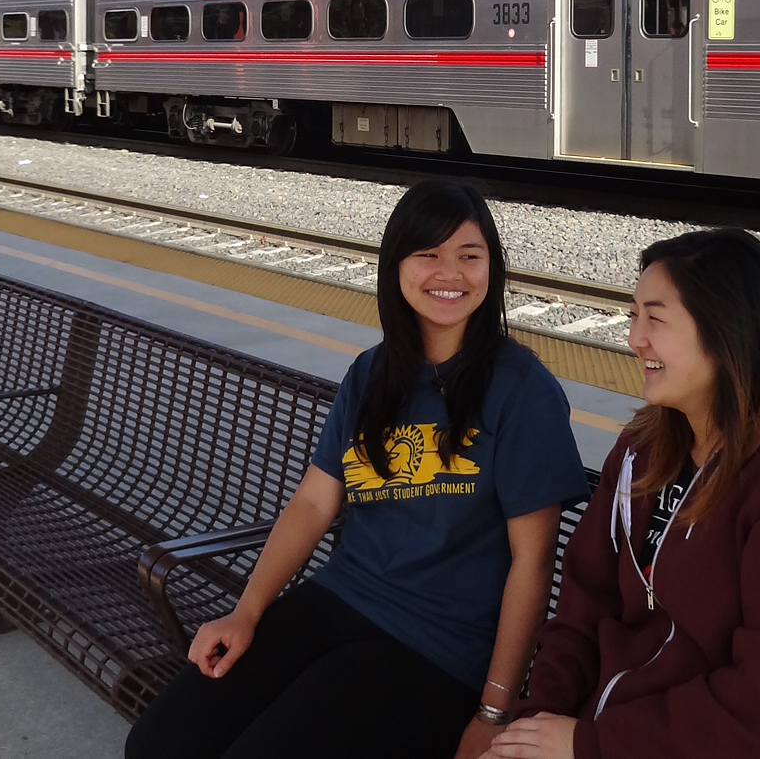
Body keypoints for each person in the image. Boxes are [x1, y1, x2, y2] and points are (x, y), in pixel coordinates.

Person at [126, 179, 589, 759]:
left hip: (436, 647)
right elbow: (314, 503)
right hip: (339, 600)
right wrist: (245, 614)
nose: (451, 273)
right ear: (395, 266)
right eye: (429, 255)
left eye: (470, 256)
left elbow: (533, 559)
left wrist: (493, 710)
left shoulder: (521, 389)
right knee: (159, 743)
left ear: (491, 269)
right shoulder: (372, 374)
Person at [482, 228, 760, 759]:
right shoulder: (642, 450)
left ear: (727, 332)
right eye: (633, 315)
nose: (634, 338)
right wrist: (532, 725)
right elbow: (583, 612)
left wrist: (589, 743)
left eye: (655, 318)